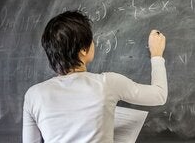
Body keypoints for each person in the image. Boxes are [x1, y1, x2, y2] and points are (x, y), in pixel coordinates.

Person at [22, 11, 167, 143]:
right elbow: (159, 95)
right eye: (91, 40)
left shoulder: (33, 95)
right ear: (84, 50)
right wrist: (157, 54)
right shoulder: (107, 83)